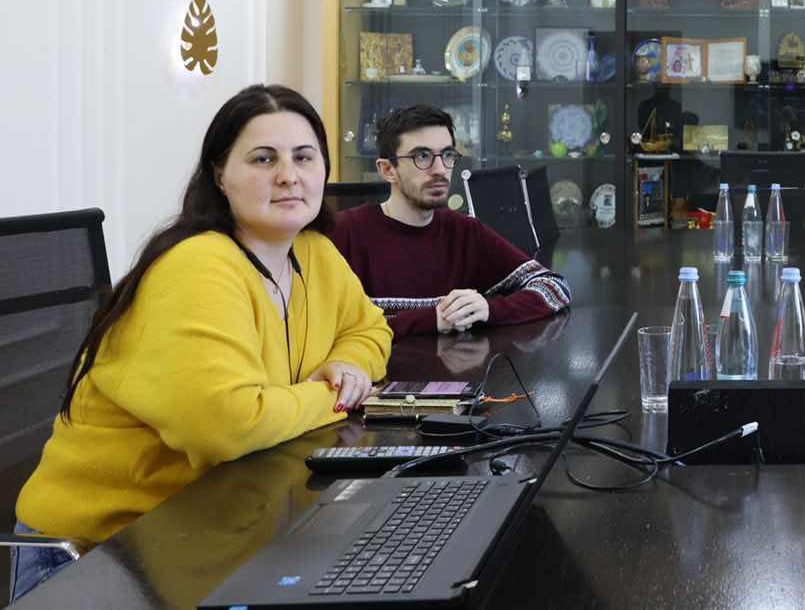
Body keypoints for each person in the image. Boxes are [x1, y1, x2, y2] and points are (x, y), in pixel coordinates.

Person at [12, 85, 392, 602]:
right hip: (103, 556)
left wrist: (348, 363)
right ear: (219, 175)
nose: (289, 175)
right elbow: (229, 425)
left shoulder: (312, 252)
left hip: (213, 528)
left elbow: (370, 329)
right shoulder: (198, 267)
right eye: (264, 158)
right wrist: (335, 396)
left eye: (304, 157)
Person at [331, 105, 570, 340]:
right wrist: (432, 319)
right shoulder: (343, 233)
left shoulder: (465, 231)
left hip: (456, 364)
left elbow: (554, 287)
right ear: (387, 170)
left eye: (447, 155)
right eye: (422, 156)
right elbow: (329, 329)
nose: (440, 170)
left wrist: (489, 310)